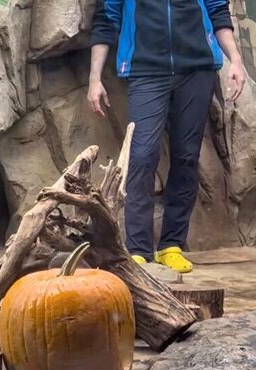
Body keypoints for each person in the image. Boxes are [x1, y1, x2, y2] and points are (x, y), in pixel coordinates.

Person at [88, 0, 247, 273]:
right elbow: (106, 19)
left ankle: (171, 245)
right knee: (142, 155)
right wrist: (94, 78)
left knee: (186, 156)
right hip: (146, 71)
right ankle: (138, 248)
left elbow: (218, 11)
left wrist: (236, 60)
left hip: (197, 69)